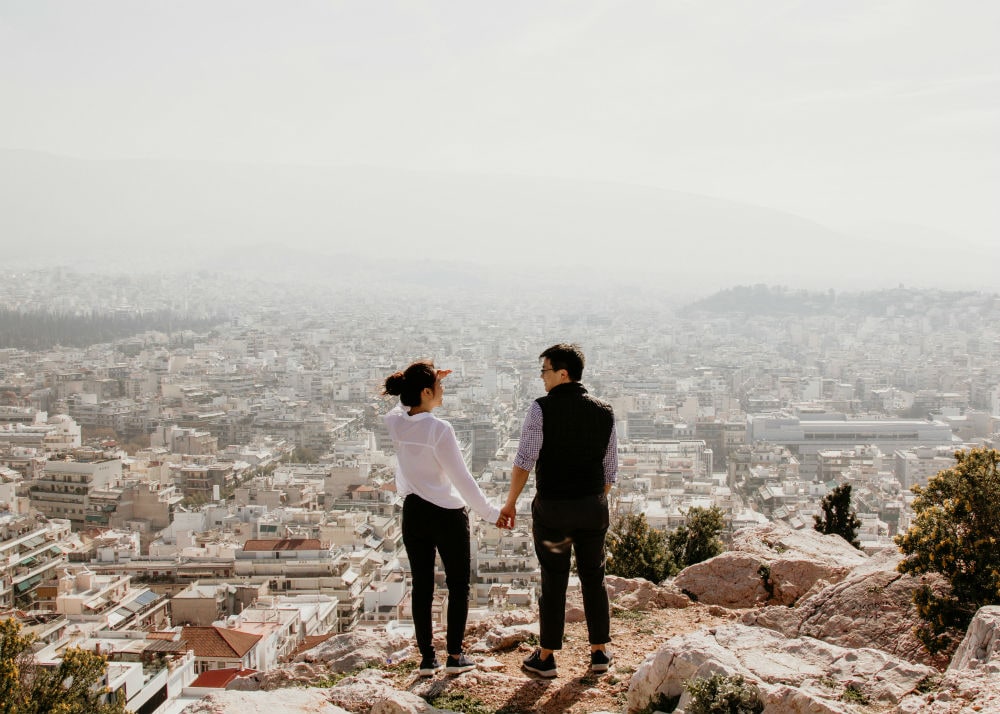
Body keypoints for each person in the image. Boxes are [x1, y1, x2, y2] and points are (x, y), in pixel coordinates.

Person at [499, 343, 617, 678]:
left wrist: (510, 502)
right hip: (592, 508)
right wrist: (591, 499)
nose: (542, 377)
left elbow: (525, 460)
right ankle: (599, 652)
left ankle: (547, 656)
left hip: (553, 510)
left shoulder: (541, 409)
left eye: (545, 371)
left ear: (562, 374)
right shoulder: (605, 411)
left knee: (554, 578)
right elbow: (610, 470)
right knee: (594, 577)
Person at [383, 360, 507, 677]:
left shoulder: (395, 424)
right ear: (426, 392)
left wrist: (423, 379)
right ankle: (454, 655)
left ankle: (427, 659)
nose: (443, 390)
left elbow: (400, 406)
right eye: (438, 386)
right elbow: (463, 480)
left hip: (414, 512)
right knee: (458, 584)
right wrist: (492, 513)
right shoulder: (440, 430)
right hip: (447, 515)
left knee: (422, 586)